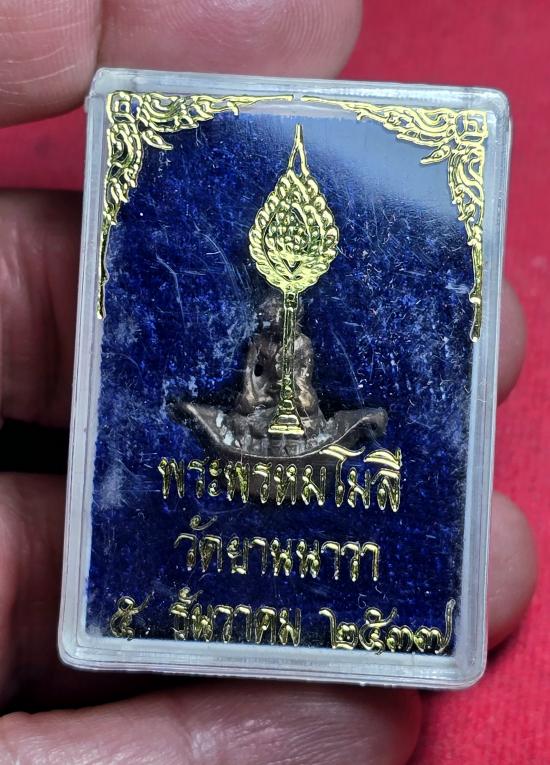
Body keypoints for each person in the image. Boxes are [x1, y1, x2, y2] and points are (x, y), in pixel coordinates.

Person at [0, 1, 536, 763]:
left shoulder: (306, 342)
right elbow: (252, 391)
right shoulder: (259, 340)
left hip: (305, 445)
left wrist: (298, 396)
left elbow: (305, 393)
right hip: (252, 438)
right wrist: (257, 394)